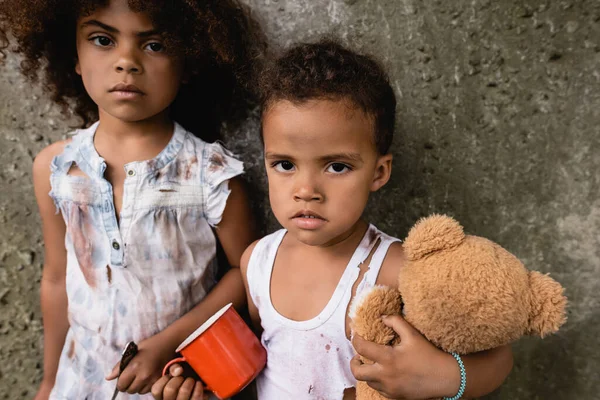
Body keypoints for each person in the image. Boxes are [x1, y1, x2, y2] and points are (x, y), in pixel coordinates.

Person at [154, 39, 514, 400]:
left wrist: (440, 377)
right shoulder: (257, 263)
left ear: (379, 172)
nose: (306, 189)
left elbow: (499, 359)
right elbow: (262, 363)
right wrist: (199, 379)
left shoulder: (396, 269)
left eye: (337, 166)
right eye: (285, 165)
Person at [0, 0, 264, 399]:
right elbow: (56, 280)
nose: (127, 61)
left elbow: (248, 275)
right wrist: (50, 380)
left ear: (189, 61)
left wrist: (169, 345)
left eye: (154, 45)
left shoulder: (210, 175)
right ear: (73, 55)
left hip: (175, 383)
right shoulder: (56, 169)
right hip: (82, 380)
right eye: (103, 39)